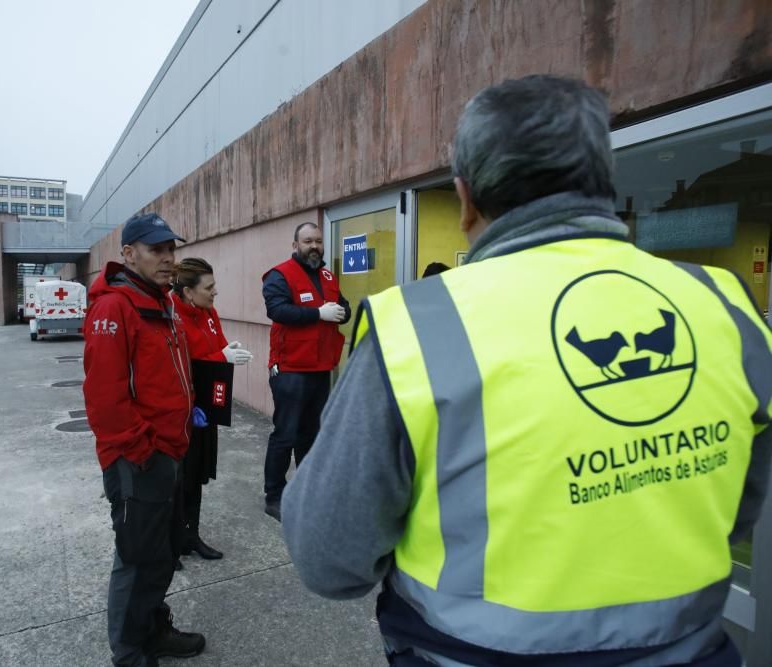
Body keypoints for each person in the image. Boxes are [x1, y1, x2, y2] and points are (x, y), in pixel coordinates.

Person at [282, 75, 771, 666]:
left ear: (464, 198)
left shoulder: (418, 325)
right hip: (693, 650)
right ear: (602, 182)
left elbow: (329, 556)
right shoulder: (724, 302)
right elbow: (744, 497)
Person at [83, 212, 206, 667]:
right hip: (138, 458)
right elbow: (104, 399)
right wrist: (142, 452)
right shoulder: (115, 308)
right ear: (129, 254)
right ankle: (130, 651)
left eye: (171, 250)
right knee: (136, 559)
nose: (168, 259)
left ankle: (153, 629)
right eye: (157, 250)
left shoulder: (162, 301)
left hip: (168, 450)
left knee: (161, 554)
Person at [261, 222, 350, 520]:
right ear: (295, 245)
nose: (315, 246)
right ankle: (274, 495)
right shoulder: (279, 275)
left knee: (311, 434)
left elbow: (344, 306)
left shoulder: (327, 275)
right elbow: (276, 310)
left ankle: (306, 489)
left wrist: (340, 311)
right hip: (290, 369)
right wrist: (318, 313)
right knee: (285, 434)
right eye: (308, 241)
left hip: (321, 367)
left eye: (318, 241)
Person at [169, 257, 253, 561]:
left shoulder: (208, 313)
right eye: (210, 287)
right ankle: (172, 544)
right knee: (178, 480)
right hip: (183, 411)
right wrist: (222, 357)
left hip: (206, 407)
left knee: (197, 475)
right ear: (189, 292)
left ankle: (191, 536)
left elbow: (217, 345)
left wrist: (230, 351)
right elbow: (181, 364)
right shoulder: (173, 316)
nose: (215, 292)